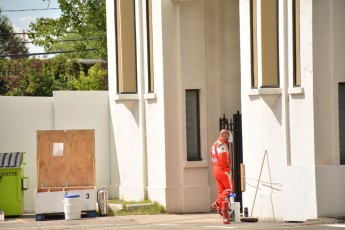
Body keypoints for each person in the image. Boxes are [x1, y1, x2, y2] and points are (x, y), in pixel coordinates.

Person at [210, 129, 232, 214]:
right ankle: (217, 203)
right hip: (222, 169)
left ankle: (223, 210)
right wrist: (227, 170)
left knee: (221, 191)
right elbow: (223, 159)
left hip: (215, 169)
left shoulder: (214, 144)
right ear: (225, 135)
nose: (229, 137)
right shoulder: (222, 145)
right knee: (229, 188)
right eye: (228, 135)